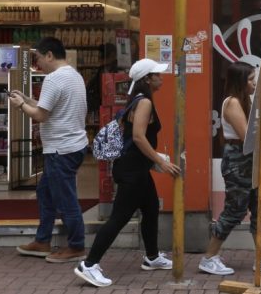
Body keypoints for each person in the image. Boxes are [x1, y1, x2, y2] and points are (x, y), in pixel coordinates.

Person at [74, 58, 181, 288]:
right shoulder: (145, 103)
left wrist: (152, 161)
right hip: (133, 170)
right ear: (147, 79)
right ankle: (89, 264)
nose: (161, 77)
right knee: (119, 218)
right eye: (157, 74)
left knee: (151, 208)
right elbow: (139, 137)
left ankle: (152, 256)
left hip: (136, 168)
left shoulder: (137, 100)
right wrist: (159, 161)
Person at [199, 61, 261, 276]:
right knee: (235, 209)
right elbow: (248, 138)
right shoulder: (233, 102)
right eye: (251, 80)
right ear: (240, 81)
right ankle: (209, 258)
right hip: (238, 162)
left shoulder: (245, 101)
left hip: (250, 162)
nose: (254, 84)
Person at [9, 37, 89, 263]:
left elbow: (41, 115)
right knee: (45, 191)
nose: (38, 64)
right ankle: (42, 240)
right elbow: (49, 107)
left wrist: (20, 105)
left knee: (65, 200)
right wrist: (27, 99)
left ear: (50, 55)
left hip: (60, 149)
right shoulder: (74, 75)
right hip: (73, 145)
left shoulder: (53, 79)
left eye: (39, 58)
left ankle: (76, 246)